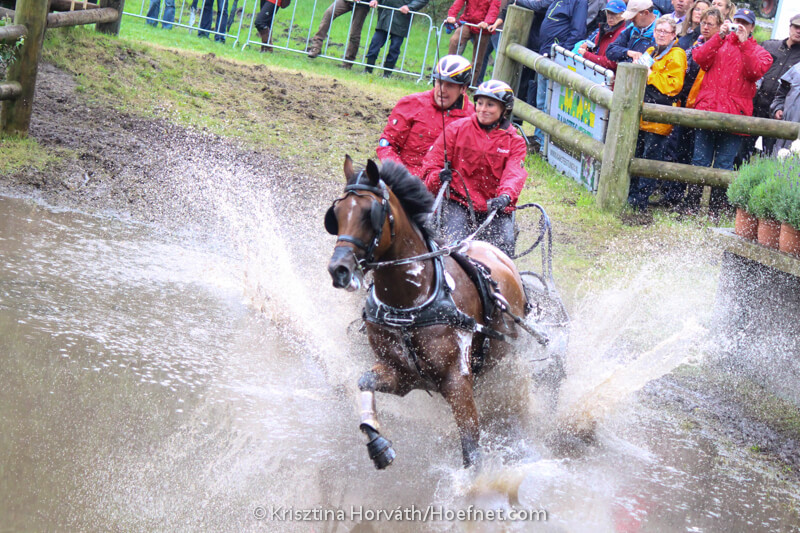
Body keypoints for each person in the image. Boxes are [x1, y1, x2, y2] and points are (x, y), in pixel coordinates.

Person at [421, 80, 527, 257]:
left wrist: (505, 196)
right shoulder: (456, 129)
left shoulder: (515, 142)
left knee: (504, 245)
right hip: (458, 201)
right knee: (455, 245)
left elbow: (514, 173)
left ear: (504, 109)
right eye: (479, 103)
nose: (483, 109)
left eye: (490, 105)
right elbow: (431, 165)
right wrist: (438, 176)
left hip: (496, 207)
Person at [690, 7, 772, 212]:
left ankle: (716, 209)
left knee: (725, 165)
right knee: (699, 161)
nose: (740, 25)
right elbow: (699, 58)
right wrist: (719, 36)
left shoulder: (759, 51)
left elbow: (755, 72)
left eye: (745, 23)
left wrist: (744, 44)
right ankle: (690, 205)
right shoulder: (719, 41)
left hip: (735, 116)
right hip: (708, 110)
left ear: (752, 27)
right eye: (737, 21)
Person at [377, 55, 475, 177]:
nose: (442, 90)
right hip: (405, 179)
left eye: (450, 85)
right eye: (439, 82)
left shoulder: (473, 118)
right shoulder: (411, 104)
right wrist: (402, 175)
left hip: (445, 185)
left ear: (463, 88)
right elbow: (387, 145)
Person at [627, 16, 687, 211]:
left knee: (649, 160)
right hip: (642, 115)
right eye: (658, 31)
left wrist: (651, 75)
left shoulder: (677, 55)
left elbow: (674, 86)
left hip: (659, 117)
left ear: (674, 35)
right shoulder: (652, 50)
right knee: (636, 155)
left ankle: (641, 202)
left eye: (666, 32)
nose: (661, 34)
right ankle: (631, 196)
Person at [516, 0, 587, 145]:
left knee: (551, 102)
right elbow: (539, 6)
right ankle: (538, 139)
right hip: (546, 54)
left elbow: (578, 31)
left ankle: (545, 144)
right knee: (542, 101)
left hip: (557, 58)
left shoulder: (579, 2)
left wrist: (561, 52)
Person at [752, 13, 800, 154]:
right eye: (796, 27)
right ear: (790, 27)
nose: (799, 31)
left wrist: (779, 108)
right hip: (755, 108)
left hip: (779, 114)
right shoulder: (769, 45)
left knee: (770, 156)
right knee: (741, 154)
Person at [365, 0, 430, 77]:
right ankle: (368, 71)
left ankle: (387, 74)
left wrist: (409, 7)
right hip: (385, 15)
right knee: (375, 43)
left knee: (394, 48)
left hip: (402, 19)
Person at [445, 0, 501, 86]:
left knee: (478, 59)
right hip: (468, 22)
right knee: (455, 40)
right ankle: (448, 73)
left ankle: (469, 86)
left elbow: (494, 9)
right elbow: (459, 2)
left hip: (483, 28)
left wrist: (487, 22)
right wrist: (452, 15)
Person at [307, 0, 375, 68]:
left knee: (355, 33)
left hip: (363, 4)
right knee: (329, 13)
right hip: (346, 1)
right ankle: (316, 47)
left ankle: (348, 62)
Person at [577, 0, 628, 71]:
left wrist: (586, 54)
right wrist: (588, 48)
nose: (610, 17)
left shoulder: (623, 34)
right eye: (608, 13)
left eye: (614, 14)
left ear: (623, 15)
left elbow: (610, 63)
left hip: (607, 78)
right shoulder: (604, 29)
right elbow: (598, 52)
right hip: (598, 73)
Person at [606, 0, 658, 66]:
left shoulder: (661, 33)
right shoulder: (631, 29)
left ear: (646, 13)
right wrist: (627, 52)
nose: (631, 19)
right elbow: (610, 51)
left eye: (634, 16)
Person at [770, 60, 800, 155]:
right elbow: (781, 95)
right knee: (781, 166)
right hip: (787, 133)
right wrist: (778, 108)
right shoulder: (797, 69)